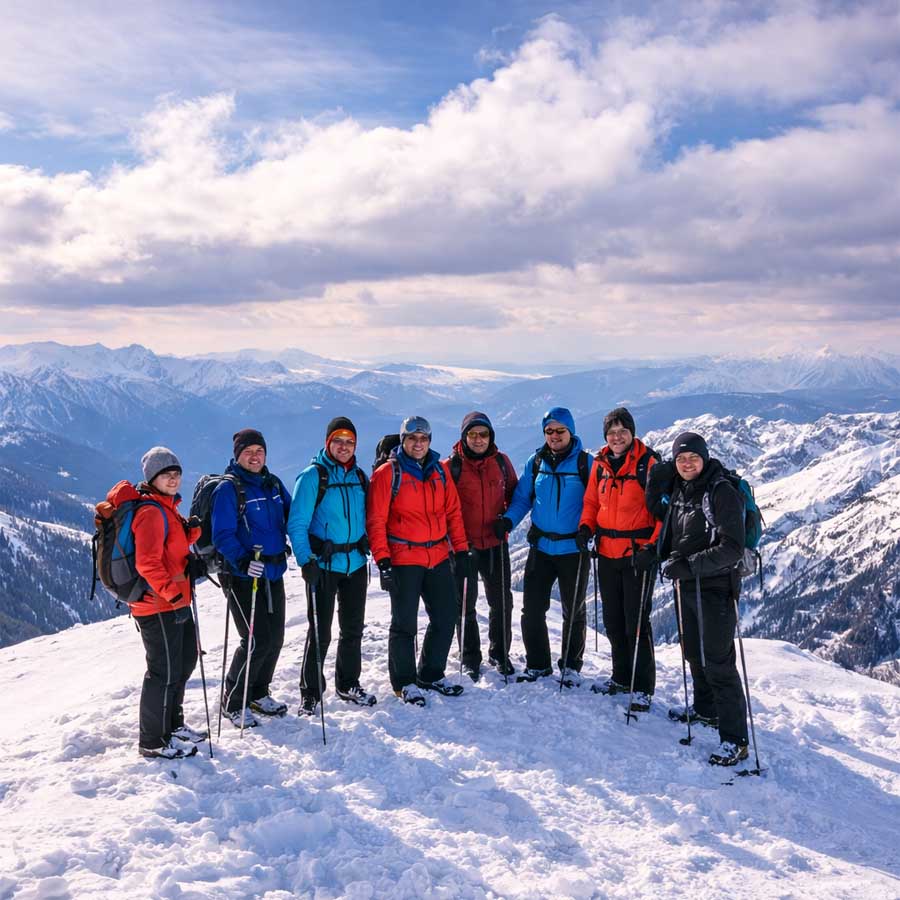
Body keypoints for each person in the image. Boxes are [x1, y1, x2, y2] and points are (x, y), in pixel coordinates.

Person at [648, 431, 750, 767]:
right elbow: (660, 516)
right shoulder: (681, 488)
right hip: (687, 585)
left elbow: (732, 547)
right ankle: (706, 710)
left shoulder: (720, 491)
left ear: (704, 457)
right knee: (693, 651)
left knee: (719, 662)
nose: (687, 463)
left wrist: (688, 566)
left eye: (693, 457)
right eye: (680, 459)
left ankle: (735, 740)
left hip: (716, 587)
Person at [366, 415, 470, 706]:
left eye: (424, 439)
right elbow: (376, 520)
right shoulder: (388, 473)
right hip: (403, 556)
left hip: (437, 554)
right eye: (412, 438)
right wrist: (383, 562)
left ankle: (431, 673)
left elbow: (453, 513)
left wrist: (461, 551)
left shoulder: (439, 471)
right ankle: (405, 682)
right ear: (403, 441)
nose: (418, 444)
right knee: (404, 623)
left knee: (446, 615)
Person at [116, 446, 203, 759]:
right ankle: (153, 741)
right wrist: (175, 596)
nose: (173, 477)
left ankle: (173, 726)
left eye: (176, 472)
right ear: (152, 477)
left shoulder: (167, 507)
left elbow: (169, 549)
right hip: (158, 606)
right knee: (163, 672)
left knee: (182, 664)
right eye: (166, 473)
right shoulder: (151, 512)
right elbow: (148, 563)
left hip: (173, 602)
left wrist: (190, 540)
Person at [287, 416, 376, 717]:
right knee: (320, 631)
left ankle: (348, 683)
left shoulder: (360, 477)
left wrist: (366, 542)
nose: (344, 446)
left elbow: (365, 517)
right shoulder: (313, 476)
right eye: (338, 440)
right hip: (323, 565)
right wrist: (305, 561)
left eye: (349, 441)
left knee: (353, 629)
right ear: (328, 443)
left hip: (354, 563)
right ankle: (310, 693)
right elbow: (297, 523)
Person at [496, 407, 590, 686]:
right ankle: (538, 664)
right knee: (532, 608)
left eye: (560, 430)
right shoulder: (536, 461)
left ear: (570, 431)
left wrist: (590, 528)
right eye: (549, 431)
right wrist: (509, 521)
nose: (554, 436)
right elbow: (523, 497)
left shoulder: (586, 464)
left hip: (574, 548)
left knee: (574, 610)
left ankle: (571, 666)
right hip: (541, 547)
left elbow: (596, 503)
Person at [578, 407, 660, 711]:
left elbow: (663, 514)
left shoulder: (649, 465)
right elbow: (591, 501)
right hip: (607, 552)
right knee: (614, 620)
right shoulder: (600, 465)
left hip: (637, 555)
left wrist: (651, 548)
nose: (617, 437)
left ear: (632, 433)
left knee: (636, 622)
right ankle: (621, 677)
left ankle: (642, 687)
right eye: (611, 432)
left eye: (622, 431)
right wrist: (586, 526)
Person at [212, 428, 291, 728]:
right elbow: (222, 534)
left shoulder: (272, 484)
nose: (255, 456)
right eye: (249, 451)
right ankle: (233, 700)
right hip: (243, 577)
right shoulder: (228, 490)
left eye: (259, 450)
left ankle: (258, 691)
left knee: (275, 639)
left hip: (273, 572)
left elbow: (292, 512)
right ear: (238, 455)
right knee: (255, 639)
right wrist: (243, 562)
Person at [442, 411, 518, 680]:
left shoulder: (501, 462)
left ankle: (500, 654)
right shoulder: (450, 467)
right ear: (463, 437)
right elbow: (441, 507)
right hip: (463, 547)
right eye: (472, 434)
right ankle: (469, 658)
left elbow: (516, 495)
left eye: (483, 434)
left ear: (490, 436)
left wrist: (508, 519)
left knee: (501, 602)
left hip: (495, 544)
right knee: (465, 605)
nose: (478, 439)